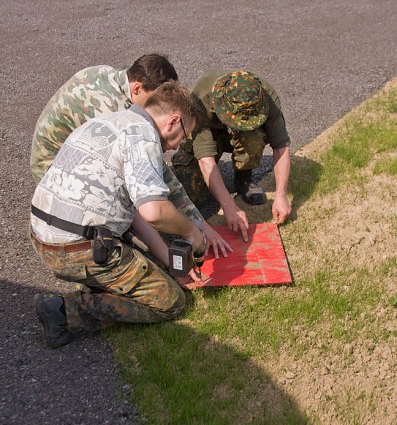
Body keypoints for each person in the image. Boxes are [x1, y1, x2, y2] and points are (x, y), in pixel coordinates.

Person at [31, 82, 206, 349]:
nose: (179, 145)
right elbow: (154, 211)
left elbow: (134, 212)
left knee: (153, 270)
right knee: (170, 301)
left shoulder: (108, 121)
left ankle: (100, 284)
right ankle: (63, 312)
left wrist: (170, 261)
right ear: (173, 121)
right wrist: (192, 232)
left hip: (42, 233)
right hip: (75, 249)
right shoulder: (143, 137)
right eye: (185, 134)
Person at [30, 54, 230, 258]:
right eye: (156, 98)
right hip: (54, 168)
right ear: (137, 88)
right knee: (127, 203)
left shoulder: (111, 78)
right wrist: (177, 244)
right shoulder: (114, 112)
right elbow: (157, 179)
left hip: (68, 160)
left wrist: (200, 224)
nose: (160, 104)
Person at [172, 69, 292, 241]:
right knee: (193, 198)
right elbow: (206, 159)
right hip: (208, 131)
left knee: (254, 137)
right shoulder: (200, 98)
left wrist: (281, 195)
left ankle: (244, 177)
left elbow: (281, 146)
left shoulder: (266, 97)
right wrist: (229, 206)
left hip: (243, 136)